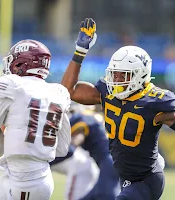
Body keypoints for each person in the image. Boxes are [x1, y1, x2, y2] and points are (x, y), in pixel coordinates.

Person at [61, 18, 175, 200]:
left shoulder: (156, 101)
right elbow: (68, 91)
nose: (117, 80)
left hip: (147, 179)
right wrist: (80, 51)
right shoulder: (107, 93)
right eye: (114, 74)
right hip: (125, 177)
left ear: (141, 74)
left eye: (124, 75)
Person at [0, 39, 71, 200]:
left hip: (24, 179)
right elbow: (62, 148)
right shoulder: (58, 92)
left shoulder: (14, 85)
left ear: (21, 64)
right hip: (37, 176)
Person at [50, 103, 119, 200]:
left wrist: (48, 162)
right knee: (93, 196)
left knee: (103, 196)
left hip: (109, 162)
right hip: (114, 161)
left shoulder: (82, 118)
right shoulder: (96, 117)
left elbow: (71, 148)